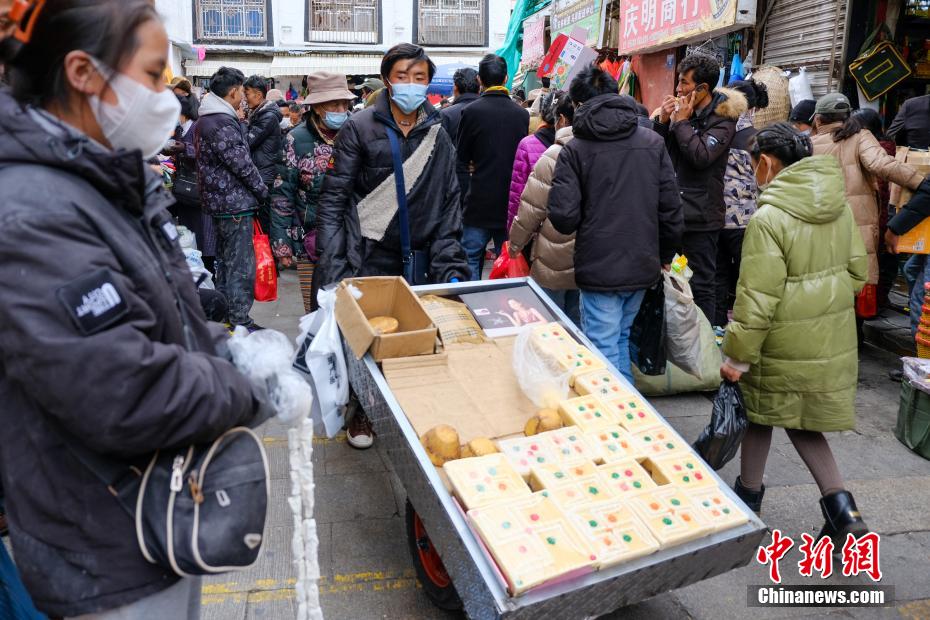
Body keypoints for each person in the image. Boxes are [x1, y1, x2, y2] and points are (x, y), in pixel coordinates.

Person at [0, 2, 269, 617]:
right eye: (151, 76)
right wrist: (249, 384)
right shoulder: (32, 210)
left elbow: (159, 321)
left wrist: (227, 346)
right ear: (82, 72)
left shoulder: (96, 178)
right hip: (103, 542)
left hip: (152, 511)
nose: (165, 97)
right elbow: (122, 388)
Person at [315, 43, 469, 448]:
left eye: (420, 78)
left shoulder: (438, 128)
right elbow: (334, 200)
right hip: (369, 251)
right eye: (403, 76)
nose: (411, 85)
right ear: (387, 79)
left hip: (420, 252)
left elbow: (449, 197)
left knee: (416, 336)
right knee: (367, 341)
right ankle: (362, 412)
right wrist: (332, 270)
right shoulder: (359, 127)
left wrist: (451, 261)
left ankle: (411, 411)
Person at [721, 123, 869, 545]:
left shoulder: (768, 217)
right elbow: (858, 273)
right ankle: (844, 511)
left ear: (766, 164)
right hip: (829, 334)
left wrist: (736, 356)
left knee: (760, 410)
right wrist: (821, 305)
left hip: (778, 337)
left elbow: (757, 298)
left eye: (752, 166)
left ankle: (747, 502)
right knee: (796, 420)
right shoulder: (838, 207)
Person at [548, 67, 683, 383]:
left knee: (602, 346)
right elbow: (671, 209)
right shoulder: (651, 141)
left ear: (579, 105)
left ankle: (619, 421)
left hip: (599, 265)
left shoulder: (575, 150)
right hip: (642, 262)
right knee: (619, 339)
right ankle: (631, 414)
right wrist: (665, 255)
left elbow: (563, 218)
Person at [811, 92, 925, 325]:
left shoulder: (807, 144)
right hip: (856, 227)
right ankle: (852, 341)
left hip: (817, 225)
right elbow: (882, 165)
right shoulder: (860, 136)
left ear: (818, 119)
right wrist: (921, 182)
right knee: (854, 284)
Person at [653, 53, 743, 323]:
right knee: (670, 275)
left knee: (702, 282)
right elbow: (657, 153)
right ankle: (673, 341)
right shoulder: (681, 113)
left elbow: (702, 156)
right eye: (678, 83)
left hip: (701, 218)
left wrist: (681, 123)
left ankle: (703, 342)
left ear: (703, 89)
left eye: (684, 84)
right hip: (673, 213)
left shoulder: (724, 118)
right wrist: (663, 122)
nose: (678, 90)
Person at [196, 66, 268, 330]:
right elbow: (241, 164)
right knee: (239, 265)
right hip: (233, 203)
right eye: (242, 91)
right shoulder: (220, 121)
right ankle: (239, 319)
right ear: (235, 91)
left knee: (226, 263)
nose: (243, 96)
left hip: (221, 203)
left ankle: (227, 315)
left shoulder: (208, 118)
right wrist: (262, 190)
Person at [507, 92, 581, 325]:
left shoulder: (552, 154)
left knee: (550, 322)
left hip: (552, 254)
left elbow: (528, 204)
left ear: (561, 119)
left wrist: (515, 244)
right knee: (578, 324)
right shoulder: (599, 151)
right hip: (588, 256)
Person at [271, 71, 355, 271]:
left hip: (355, 237)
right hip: (311, 239)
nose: (341, 109)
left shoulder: (357, 131)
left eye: (345, 103)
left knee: (352, 299)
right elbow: (282, 194)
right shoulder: (295, 139)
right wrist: (283, 246)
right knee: (316, 299)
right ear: (317, 107)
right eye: (334, 104)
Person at [457, 54, 530, 279]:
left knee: (470, 256)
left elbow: (461, 157)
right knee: (506, 259)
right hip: (510, 201)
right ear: (506, 77)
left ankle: (470, 306)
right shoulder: (521, 115)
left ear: (480, 79)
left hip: (478, 199)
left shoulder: (471, 112)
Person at [715, 79, 769, 327]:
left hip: (714, 216)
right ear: (753, 107)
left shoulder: (715, 130)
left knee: (718, 275)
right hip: (745, 220)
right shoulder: (757, 138)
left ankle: (716, 328)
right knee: (748, 276)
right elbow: (765, 181)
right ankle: (745, 326)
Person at [506, 90, 557, 231]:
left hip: (534, 225)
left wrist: (512, 230)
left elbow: (517, 192)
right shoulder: (577, 144)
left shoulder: (527, 144)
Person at [244, 74, 283, 235]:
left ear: (258, 94)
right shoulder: (259, 114)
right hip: (261, 172)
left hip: (265, 174)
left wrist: (240, 121)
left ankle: (266, 255)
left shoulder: (267, 117)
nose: (245, 99)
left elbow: (248, 141)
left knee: (264, 218)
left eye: (247, 94)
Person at [440, 67, 479, 207]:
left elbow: (441, 155)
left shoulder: (446, 115)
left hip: (454, 187)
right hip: (487, 186)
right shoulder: (491, 111)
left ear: (455, 88)